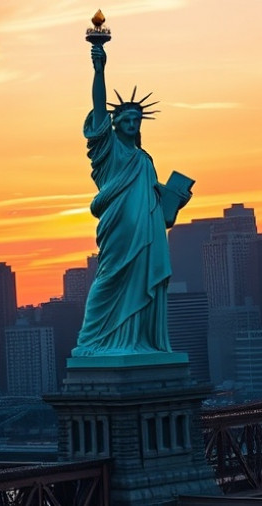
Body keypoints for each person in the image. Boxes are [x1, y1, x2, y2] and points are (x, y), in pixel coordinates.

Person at [72, 44, 189, 356]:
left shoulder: (145, 159)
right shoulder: (107, 150)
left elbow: (159, 209)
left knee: (141, 281)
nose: (132, 122)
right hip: (119, 227)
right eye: (126, 118)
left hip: (149, 231)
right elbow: (99, 108)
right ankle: (92, 340)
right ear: (115, 123)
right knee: (110, 277)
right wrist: (100, 71)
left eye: (137, 119)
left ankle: (139, 343)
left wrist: (176, 200)